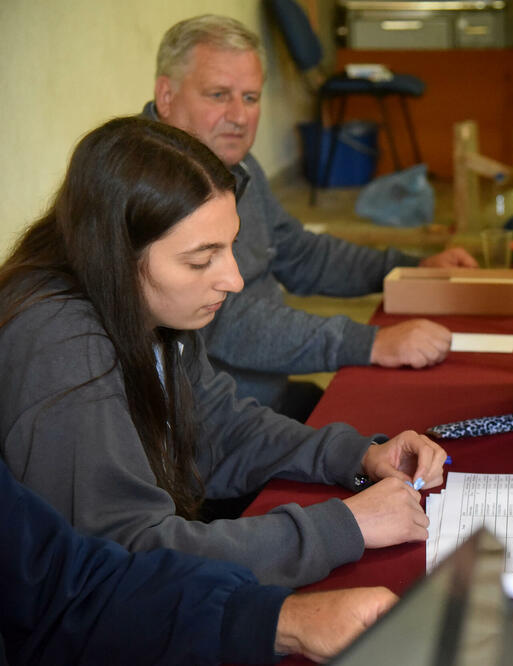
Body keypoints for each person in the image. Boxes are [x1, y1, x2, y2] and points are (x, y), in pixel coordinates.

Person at [0, 116, 447, 589]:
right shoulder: (60, 346)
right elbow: (126, 558)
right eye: (201, 259)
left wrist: (355, 455)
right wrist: (343, 527)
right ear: (115, 254)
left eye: (230, 248)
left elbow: (220, 430)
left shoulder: (150, 305)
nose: (233, 280)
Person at [144, 14, 478, 421]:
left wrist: (409, 267)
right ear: (166, 95)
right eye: (218, 95)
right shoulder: (152, 186)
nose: (239, 115)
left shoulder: (236, 165)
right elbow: (228, 323)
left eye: (250, 98)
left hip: (266, 404)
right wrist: (367, 343)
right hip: (214, 442)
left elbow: (299, 255)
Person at [0, 457, 396, 666]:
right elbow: (131, 545)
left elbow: (65, 586)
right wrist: (338, 529)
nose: (238, 295)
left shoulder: (165, 331)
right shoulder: (60, 342)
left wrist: (282, 620)